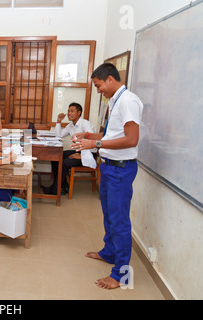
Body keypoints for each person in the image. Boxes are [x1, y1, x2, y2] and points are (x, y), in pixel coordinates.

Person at [71, 63, 143, 290]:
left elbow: (131, 139)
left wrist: (94, 143)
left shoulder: (129, 101)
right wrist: (89, 135)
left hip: (121, 169)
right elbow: (112, 135)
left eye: (99, 86)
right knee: (109, 216)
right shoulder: (115, 100)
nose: (99, 91)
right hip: (109, 167)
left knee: (119, 221)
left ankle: (121, 275)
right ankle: (109, 252)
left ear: (110, 79)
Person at [42, 102, 95, 195]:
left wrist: (81, 156)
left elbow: (93, 140)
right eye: (68, 111)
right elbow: (58, 136)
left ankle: (55, 190)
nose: (69, 113)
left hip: (88, 154)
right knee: (56, 157)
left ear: (79, 113)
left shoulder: (86, 124)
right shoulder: (71, 125)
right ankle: (62, 186)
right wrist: (58, 121)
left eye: (72, 111)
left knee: (65, 163)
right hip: (78, 151)